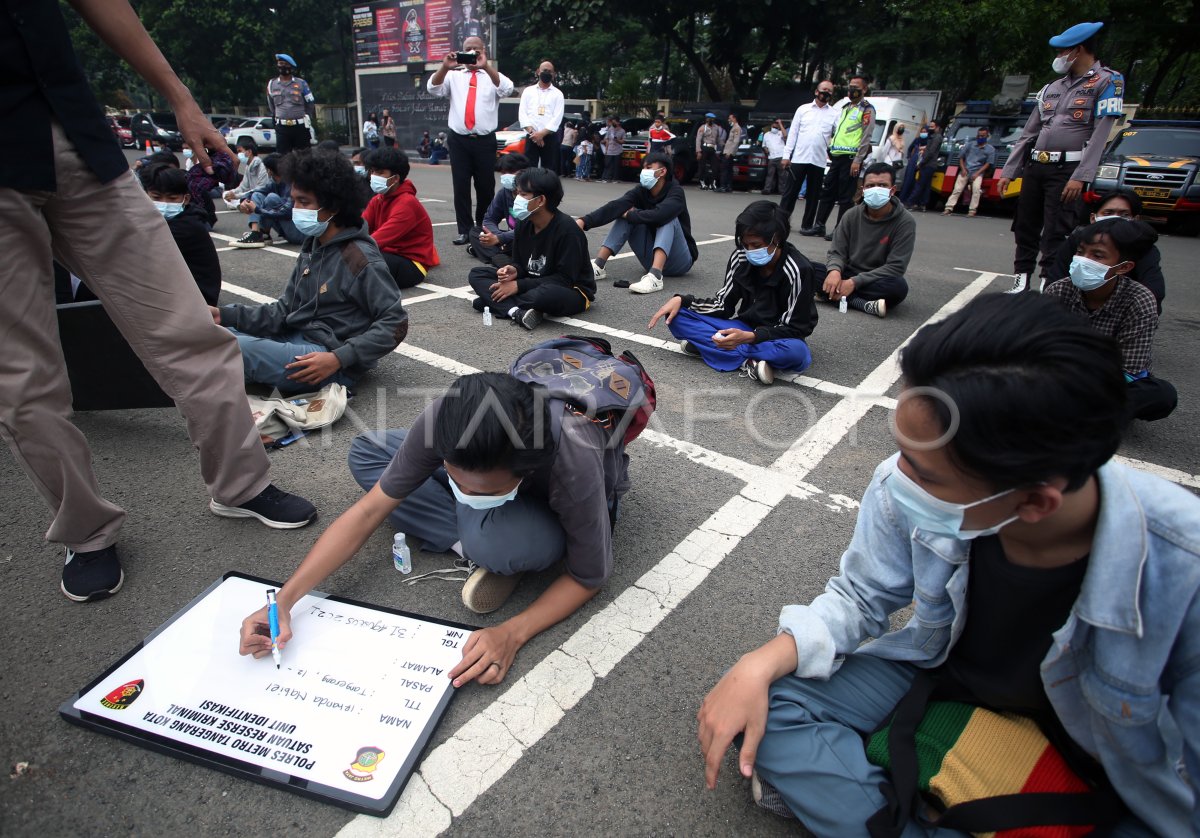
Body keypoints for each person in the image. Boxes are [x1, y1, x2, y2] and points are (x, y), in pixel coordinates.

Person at [698, 291, 1200, 836]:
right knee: (769, 706)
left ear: (1034, 503)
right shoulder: (910, 478)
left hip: (1104, 748)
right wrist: (759, 663)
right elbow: (863, 597)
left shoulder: (1183, 570)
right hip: (943, 667)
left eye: (927, 475)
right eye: (903, 448)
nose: (894, 476)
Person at [2, 0, 317, 602]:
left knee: (190, 327)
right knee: (24, 378)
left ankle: (240, 484)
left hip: (77, 136)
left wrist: (180, 97)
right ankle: (86, 532)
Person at [240, 369, 634, 688]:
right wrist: (284, 602)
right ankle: (480, 544)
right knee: (367, 452)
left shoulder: (574, 461)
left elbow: (589, 576)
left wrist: (512, 633)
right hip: (499, 474)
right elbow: (367, 512)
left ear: (527, 472)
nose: (462, 492)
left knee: (502, 542)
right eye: (454, 477)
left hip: (549, 497)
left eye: (482, 489)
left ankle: (492, 546)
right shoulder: (446, 418)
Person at [213, 150, 408, 394]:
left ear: (334, 205)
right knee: (213, 331)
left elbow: (395, 321)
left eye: (304, 202)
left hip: (326, 359)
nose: (295, 209)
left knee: (231, 349)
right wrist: (224, 316)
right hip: (296, 336)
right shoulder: (314, 244)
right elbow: (284, 311)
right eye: (294, 200)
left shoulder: (360, 258)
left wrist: (339, 358)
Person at [998, 21, 1125, 294]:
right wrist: (1009, 170)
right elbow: (1028, 133)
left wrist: (1080, 176)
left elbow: (1100, 134)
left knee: (1057, 229)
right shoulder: (1052, 87)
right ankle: (1021, 280)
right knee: (1025, 225)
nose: (1058, 58)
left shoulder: (1106, 81)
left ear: (1078, 50)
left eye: (1061, 52)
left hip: (1067, 167)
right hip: (1036, 165)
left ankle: (1048, 284)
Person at [647, 201, 818, 386]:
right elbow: (723, 304)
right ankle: (748, 360)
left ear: (776, 239)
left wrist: (752, 337)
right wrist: (683, 300)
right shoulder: (741, 257)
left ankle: (714, 349)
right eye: (745, 244)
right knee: (676, 316)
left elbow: (796, 327)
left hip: (778, 336)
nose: (750, 251)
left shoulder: (798, 269)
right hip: (743, 326)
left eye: (756, 244)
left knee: (798, 355)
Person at [1043, 219, 1176, 422]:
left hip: (1108, 381)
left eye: (1097, 255)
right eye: (1080, 252)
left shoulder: (1139, 300)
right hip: (1060, 372)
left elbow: (1129, 368)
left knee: (1162, 395)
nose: (1083, 260)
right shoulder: (1059, 289)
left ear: (1123, 267)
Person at [467, 167, 594, 330]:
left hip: (571, 290)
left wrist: (518, 286)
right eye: (517, 193)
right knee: (477, 274)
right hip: (532, 281)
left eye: (523, 194)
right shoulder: (523, 223)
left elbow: (565, 279)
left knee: (542, 296)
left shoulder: (568, 231)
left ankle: (497, 303)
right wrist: (513, 270)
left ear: (540, 200)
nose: (516, 199)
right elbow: (520, 263)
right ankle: (516, 312)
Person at [428, 36, 513, 246]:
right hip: (459, 139)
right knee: (461, 186)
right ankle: (464, 230)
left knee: (485, 186)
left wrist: (487, 67)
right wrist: (445, 67)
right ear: (461, 51)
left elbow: (507, 89)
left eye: (476, 49)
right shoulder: (454, 76)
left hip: (484, 140)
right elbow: (433, 88)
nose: (472, 53)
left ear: (483, 51)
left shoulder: (492, 77)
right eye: (468, 49)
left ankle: (483, 227)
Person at [578, 153, 698, 294]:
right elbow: (616, 206)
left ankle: (655, 276)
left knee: (667, 217)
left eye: (648, 167)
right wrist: (584, 221)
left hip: (679, 261)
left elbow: (660, 215)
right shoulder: (641, 191)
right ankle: (598, 266)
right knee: (624, 213)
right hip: (649, 259)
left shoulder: (676, 192)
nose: (643, 172)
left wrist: (631, 214)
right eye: (643, 168)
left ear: (662, 171)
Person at [819, 163, 915, 318]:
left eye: (882, 185)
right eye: (870, 185)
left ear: (892, 190)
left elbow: (896, 267)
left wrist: (854, 283)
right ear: (863, 189)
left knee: (898, 288)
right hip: (847, 271)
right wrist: (835, 271)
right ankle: (863, 304)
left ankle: (829, 294)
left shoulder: (905, 221)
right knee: (808, 270)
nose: (876, 189)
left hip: (877, 278)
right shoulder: (851, 215)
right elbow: (837, 252)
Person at [1046, 190, 1165, 312]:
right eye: (1109, 212)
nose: (1115, 219)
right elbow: (1055, 277)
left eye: (1124, 215)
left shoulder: (1140, 301)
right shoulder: (1059, 288)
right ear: (1093, 218)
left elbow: (1154, 290)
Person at [135, 163, 222, 306]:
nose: (164, 203)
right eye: (156, 197)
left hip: (195, 303)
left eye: (172, 198)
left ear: (185, 199)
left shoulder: (185, 227)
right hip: (178, 294)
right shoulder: (171, 221)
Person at [362, 145, 439, 289]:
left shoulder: (407, 203)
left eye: (379, 172)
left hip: (412, 264)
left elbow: (376, 240)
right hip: (387, 253)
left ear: (395, 178)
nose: (373, 176)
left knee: (363, 259)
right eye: (372, 172)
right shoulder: (378, 199)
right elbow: (360, 227)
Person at [811, 75, 876, 240]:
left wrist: (858, 160)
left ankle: (841, 231)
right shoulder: (846, 107)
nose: (852, 89)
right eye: (851, 86)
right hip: (837, 157)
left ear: (864, 90)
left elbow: (866, 136)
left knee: (846, 197)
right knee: (827, 192)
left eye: (856, 87)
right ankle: (819, 225)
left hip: (851, 158)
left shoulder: (867, 109)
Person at [781, 81, 839, 232]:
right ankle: (781, 222)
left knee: (813, 196)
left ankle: (807, 225)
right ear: (816, 91)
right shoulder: (803, 109)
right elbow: (792, 133)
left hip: (818, 160)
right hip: (799, 157)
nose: (826, 93)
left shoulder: (834, 114)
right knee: (790, 193)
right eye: (824, 89)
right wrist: (786, 155)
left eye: (829, 91)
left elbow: (837, 136)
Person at [468, 152, 528, 267]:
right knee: (476, 232)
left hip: (525, 237)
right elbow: (489, 219)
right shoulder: (504, 192)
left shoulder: (533, 193)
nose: (506, 176)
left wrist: (499, 238)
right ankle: (501, 256)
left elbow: (532, 229)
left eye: (510, 172)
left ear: (524, 171)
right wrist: (497, 236)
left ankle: (493, 254)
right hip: (508, 237)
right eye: (503, 173)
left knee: (524, 240)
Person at [231, 153, 302, 248]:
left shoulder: (292, 184)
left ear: (270, 170)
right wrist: (244, 201)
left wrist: (257, 209)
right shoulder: (274, 182)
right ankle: (260, 233)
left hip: (298, 233)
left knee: (271, 198)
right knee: (257, 195)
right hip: (287, 228)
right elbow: (257, 191)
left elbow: (287, 212)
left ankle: (258, 234)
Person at [518, 61, 564, 170]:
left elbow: (557, 118)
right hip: (531, 136)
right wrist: (534, 134)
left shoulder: (558, 94)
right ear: (538, 72)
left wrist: (542, 134)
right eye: (544, 71)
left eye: (550, 71)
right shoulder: (528, 91)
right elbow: (522, 114)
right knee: (529, 170)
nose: (547, 73)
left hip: (549, 137)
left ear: (554, 74)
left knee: (549, 170)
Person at [267, 53, 315, 155]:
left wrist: (305, 116)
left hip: (300, 127)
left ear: (291, 67)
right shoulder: (272, 84)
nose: (282, 66)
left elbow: (310, 103)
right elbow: (271, 105)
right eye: (280, 63)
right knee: (282, 158)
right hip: (282, 128)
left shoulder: (301, 83)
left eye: (285, 64)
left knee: (304, 158)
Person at [943, 126, 995, 217]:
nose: (980, 137)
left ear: (987, 136)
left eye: (983, 136)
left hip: (978, 172)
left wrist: (978, 173)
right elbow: (961, 157)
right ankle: (948, 208)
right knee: (957, 189)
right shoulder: (970, 145)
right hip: (966, 170)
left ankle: (972, 210)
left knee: (976, 190)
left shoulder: (990, 149)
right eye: (979, 135)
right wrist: (963, 169)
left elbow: (988, 164)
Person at [897, 120, 941, 211]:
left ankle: (909, 203)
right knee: (926, 185)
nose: (930, 128)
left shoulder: (936, 138)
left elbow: (931, 152)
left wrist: (922, 163)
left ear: (937, 127)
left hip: (928, 164)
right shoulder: (932, 137)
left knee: (919, 184)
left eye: (932, 127)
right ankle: (923, 204)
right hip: (929, 164)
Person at [223, 139, 269, 203]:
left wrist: (236, 196)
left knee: (250, 197)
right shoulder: (248, 166)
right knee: (226, 194)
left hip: (261, 196)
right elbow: (243, 187)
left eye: (240, 151)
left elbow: (260, 189)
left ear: (249, 152)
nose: (238, 155)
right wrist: (232, 192)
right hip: (252, 195)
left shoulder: (261, 166)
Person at [695, 113, 724, 191]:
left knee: (715, 166)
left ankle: (713, 183)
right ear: (706, 119)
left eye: (712, 119)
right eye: (709, 119)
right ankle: (702, 183)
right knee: (702, 166)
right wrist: (698, 151)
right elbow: (698, 140)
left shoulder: (716, 128)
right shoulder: (702, 128)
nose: (711, 120)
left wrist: (724, 145)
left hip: (712, 148)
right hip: (704, 148)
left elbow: (718, 139)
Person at [717, 113, 743, 194]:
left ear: (734, 119)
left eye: (730, 118)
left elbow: (736, 141)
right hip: (728, 150)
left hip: (729, 152)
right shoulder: (733, 128)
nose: (729, 120)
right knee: (728, 170)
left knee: (724, 169)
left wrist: (730, 152)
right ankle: (728, 186)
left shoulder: (737, 128)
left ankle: (723, 186)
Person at [760, 119, 787, 195]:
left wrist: (780, 124)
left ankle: (782, 190)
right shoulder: (767, 134)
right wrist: (766, 150)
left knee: (782, 175)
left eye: (776, 126)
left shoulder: (780, 133)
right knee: (770, 175)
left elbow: (785, 135)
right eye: (773, 126)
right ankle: (767, 189)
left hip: (781, 156)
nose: (774, 128)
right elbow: (764, 145)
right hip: (771, 157)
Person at [599, 116, 626, 183]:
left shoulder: (622, 131)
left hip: (617, 151)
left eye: (614, 122)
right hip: (610, 150)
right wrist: (606, 150)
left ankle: (615, 179)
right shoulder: (610, 129)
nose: (613, 123)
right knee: (608, 164)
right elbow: (607, 139)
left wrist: (617, 140)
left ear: (618, 122)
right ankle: (607, 178)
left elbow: (623, 141)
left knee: (616, 165)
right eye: (612, 122)